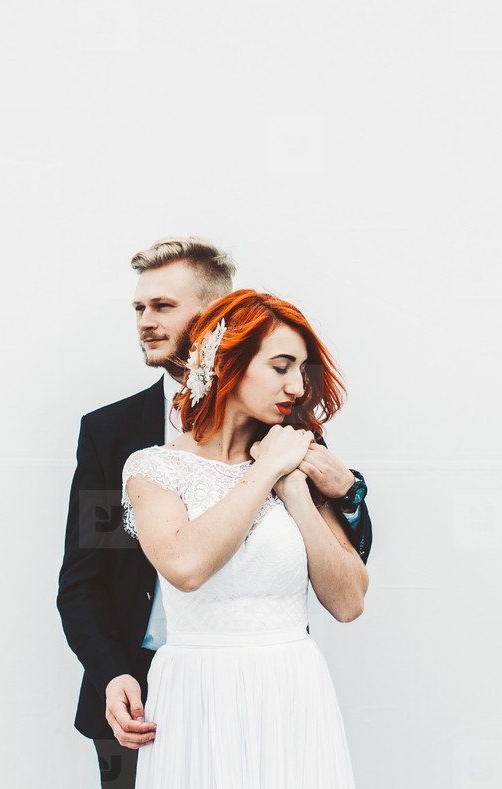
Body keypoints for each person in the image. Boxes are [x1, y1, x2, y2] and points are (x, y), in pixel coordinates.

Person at [57, 238, 374, 788]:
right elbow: (83, 577)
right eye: (139, 308)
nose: (145, 322)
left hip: (283, 694)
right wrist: (111, 674)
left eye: (163, 307)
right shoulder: (114, 437)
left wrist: (341, 489)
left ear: (217, 321)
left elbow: (347, 579)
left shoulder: (289, 433)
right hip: (148, 702)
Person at [122, 289, 366, 788]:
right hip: (197, 693)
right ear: (229, 361)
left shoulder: (298, 455)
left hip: (292, 688)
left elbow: (348, 603)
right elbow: (186, 567)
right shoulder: (153, 468)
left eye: (301, 369)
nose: (298, 386)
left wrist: (296, 493)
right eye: (281, 367)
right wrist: (266, 470)